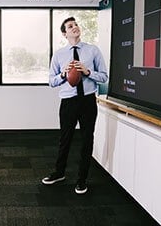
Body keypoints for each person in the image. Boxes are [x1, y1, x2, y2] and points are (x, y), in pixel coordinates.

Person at [41, 17, 108, 195]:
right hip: (68, 102)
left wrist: (87, 71)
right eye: (70, 26)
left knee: (87, 140)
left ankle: (81, 179)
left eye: (76, 24)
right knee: (65, 139)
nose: (75, 27)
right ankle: (59, 173)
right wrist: (63, 74)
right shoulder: (59, 55)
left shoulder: (93, 51)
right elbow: (51, 82)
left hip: (87, 101)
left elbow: (104, 76)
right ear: (64, 33)